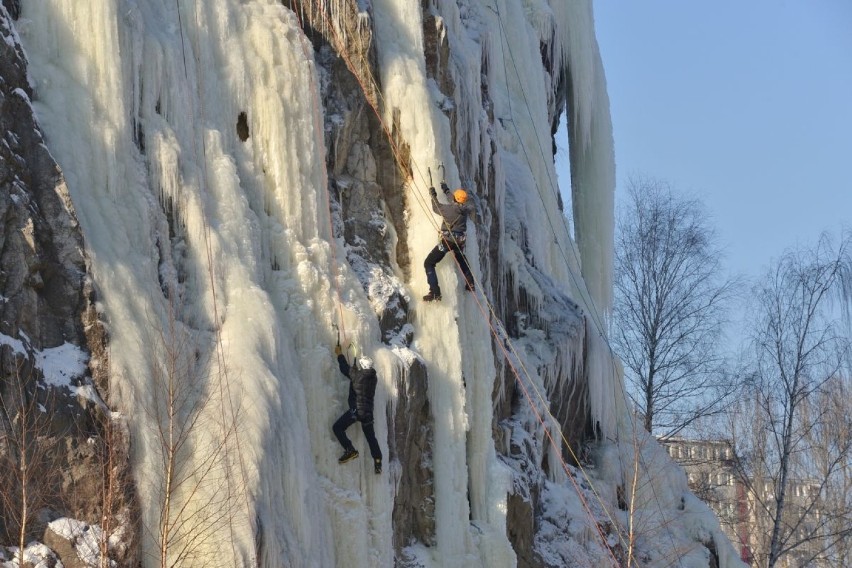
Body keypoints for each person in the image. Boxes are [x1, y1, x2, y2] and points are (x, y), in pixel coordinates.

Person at [332, 345, 382, 474]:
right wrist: (355, 371)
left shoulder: (357, 375)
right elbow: (358, 377)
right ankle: (377, 461)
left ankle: (350, 449)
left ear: (362, 367)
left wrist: (339, 354)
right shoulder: (373, 378)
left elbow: (344, 369)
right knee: (371, 438)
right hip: (368, 413)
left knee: (337, 427)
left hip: (357, 411)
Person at [423, 181, 475, 302]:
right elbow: (455, 200)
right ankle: (470, 283)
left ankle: (435, 292)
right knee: (461, 259)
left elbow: (436, 207)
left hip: (448, 241)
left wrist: (433, 195)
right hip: (459, 241)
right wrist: (446, 190)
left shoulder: (448, 210)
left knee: (429, 263)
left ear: (455, 200)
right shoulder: (466, 209)